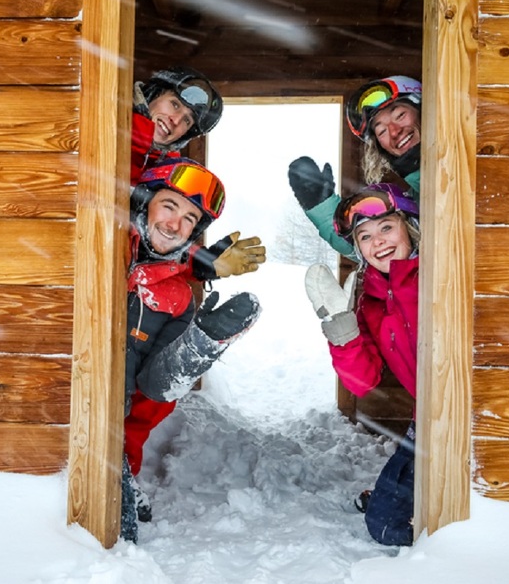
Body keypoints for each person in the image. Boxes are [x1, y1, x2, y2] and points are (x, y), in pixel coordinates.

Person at [125, 67, 267, 521]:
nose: (177, 121)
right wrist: (133, 117)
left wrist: (203, 265)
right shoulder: (122, 146)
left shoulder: (177, 291)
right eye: (174, 106)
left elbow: (161, 250)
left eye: (188, 121)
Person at [303, 182, 420, 550]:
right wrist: (342, 327)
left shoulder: (439, 274)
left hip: (474, 415)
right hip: (426, 423)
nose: (378, 241)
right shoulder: (368, 301)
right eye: (365, 236)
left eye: (387, 227)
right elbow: (362, 382)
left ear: (409, 227)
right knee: (383, 524)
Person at [287, 75, 422, 259]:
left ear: (422, 108)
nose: (394, 131)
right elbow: (385, 253)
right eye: (381, 131)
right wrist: (322, 207)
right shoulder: (418, 195)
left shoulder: (460, 161)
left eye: (400, 115)